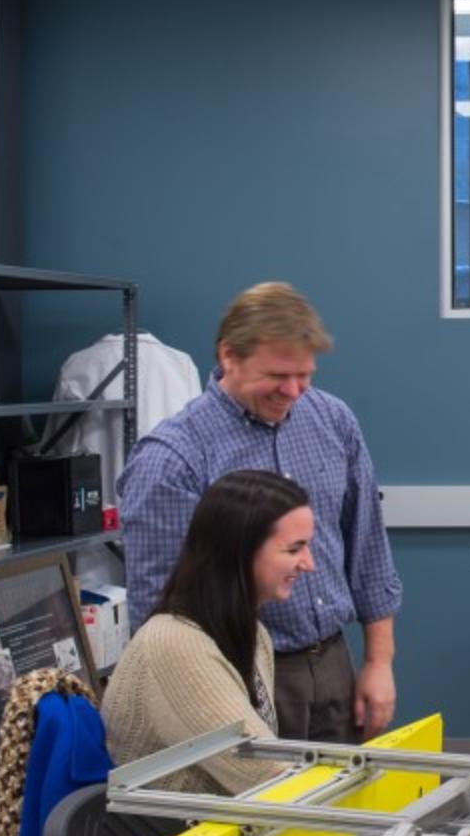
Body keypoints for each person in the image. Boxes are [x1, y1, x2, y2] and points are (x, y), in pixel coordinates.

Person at [118, 282, 400, 743]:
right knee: (266, 813)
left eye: (304, 374)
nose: (293, 391)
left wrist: (378, 663)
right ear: (229, 355)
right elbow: (161, 614)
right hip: (238, 679)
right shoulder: (172, 458)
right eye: (277, 375)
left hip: (334, 666)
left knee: (343, 812)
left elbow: (368, 548)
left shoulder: (333, 420)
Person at [101, 470, 316, 796]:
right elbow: (270, 777)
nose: (309, 563)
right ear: (241, 551)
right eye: (294, 549)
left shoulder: (254, 634)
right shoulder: (173, 645)